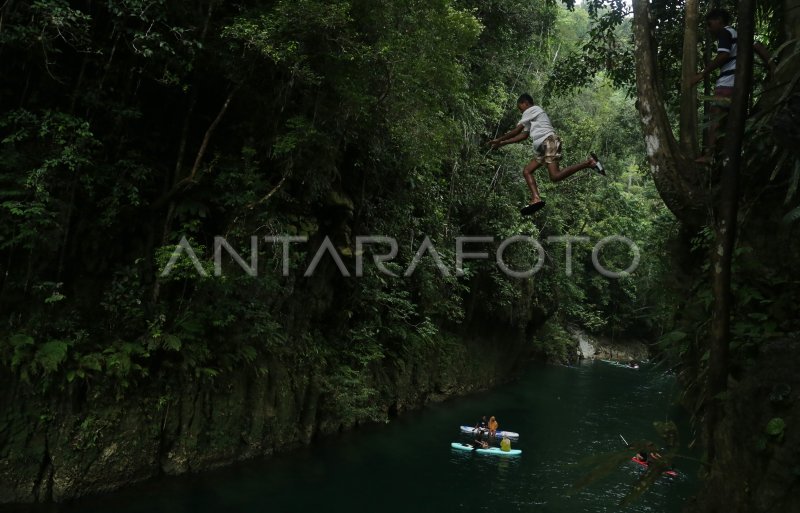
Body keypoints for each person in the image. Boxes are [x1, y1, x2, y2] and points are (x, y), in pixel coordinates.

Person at [488, 93, 605, 215]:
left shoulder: (532, 109)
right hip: (543, 147)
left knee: (555, 176)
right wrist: (502, 143)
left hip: (549, 141)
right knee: (527, 171)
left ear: (525, 103)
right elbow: (523, 135)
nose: (520, 111)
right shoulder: (530, 117)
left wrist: (499, 139)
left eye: (520, 107)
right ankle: (536, 198)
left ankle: (588, 163)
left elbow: (517, 130)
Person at [691, 8, 775, 163]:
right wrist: (772, 66)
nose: (709, 29)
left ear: (719, 21)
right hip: (740, 85)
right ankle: (725, 157)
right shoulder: (740, 34)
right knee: (730, 121)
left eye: (710, 24)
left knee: (715, 115)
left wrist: (702, 74)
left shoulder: (725, 32)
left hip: (727, 83)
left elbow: (724, 55)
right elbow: (758, 47)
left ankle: (710, 155)